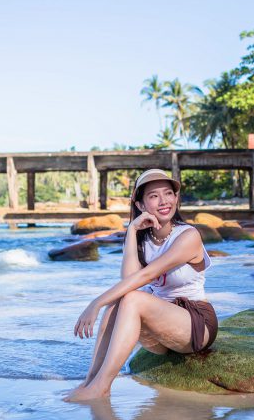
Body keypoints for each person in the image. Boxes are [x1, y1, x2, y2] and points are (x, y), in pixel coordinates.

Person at [64, 168, 218, 402]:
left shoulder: (189, 236)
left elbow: (147, 276)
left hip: (195, 324)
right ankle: (91, 381)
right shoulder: (143, 239)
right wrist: (133, 231)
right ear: (140, 204)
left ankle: (102, 386)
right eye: (154, 196)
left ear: (176, 198)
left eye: (168, 194)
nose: (164, 201)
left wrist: (95, 303)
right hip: (162, 328)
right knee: (117, 303)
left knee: (130, 299)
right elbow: (128, 281)